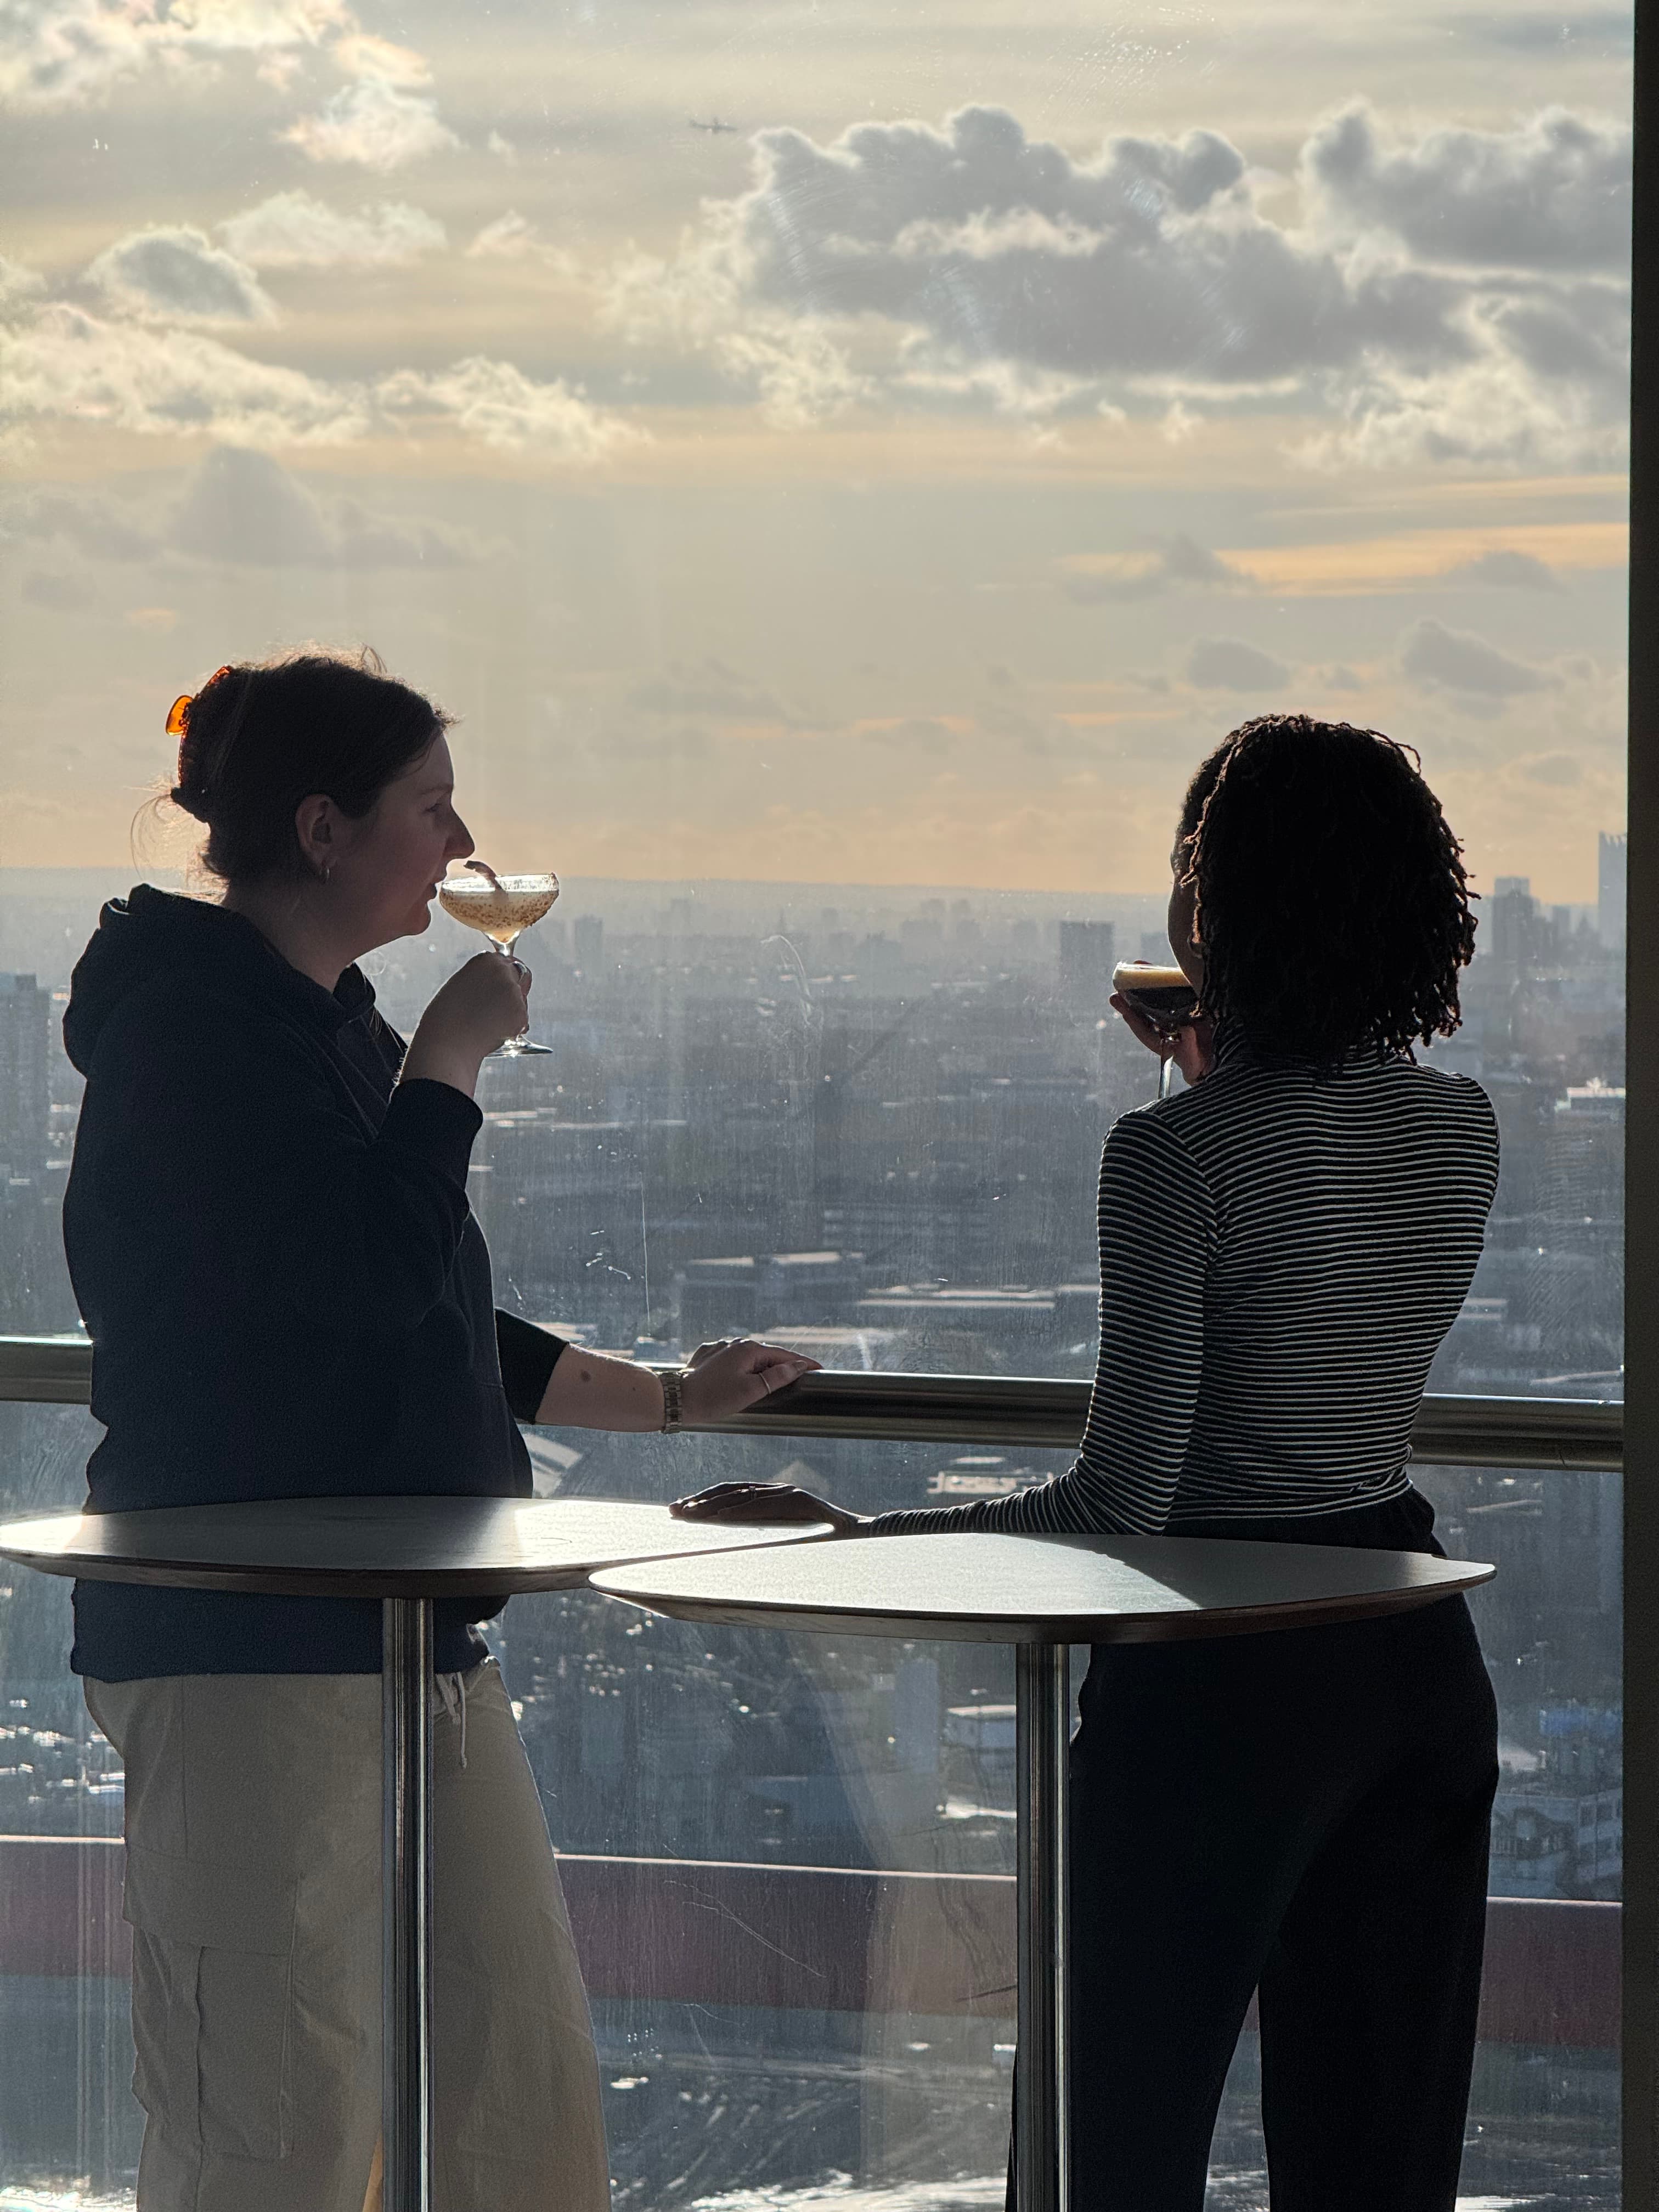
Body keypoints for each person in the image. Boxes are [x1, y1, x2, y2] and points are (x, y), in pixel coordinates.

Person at [674, 714, 1502, 2212]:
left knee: (1099, 2157)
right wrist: (1222, 1056)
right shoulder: (1462, 1129)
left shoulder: (1169, 1156)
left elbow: (1122, 1504)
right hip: (1406, 1654)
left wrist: (849, 1538)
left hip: (1217, 1686)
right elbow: (1309, 1235)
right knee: (1378, 2172)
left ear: (1213, 901)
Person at [62, 646, 820, 2212]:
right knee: (272, 2125)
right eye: (432, 806)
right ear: (327, 828)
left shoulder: (311, 1024)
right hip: (249, 1647)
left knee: (513, 2092)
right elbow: (358, 1280)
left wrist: (666, 1400)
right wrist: (450, 1065)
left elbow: (423, 1307)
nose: (465, 845)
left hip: (408, 1639)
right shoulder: (194, 1045)